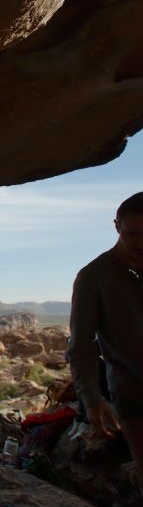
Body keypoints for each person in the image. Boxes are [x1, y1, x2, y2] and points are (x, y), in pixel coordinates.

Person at [68, 191, 143, 488]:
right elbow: (81, 345)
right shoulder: (94, 277)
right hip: (134, 395)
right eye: (132, 234)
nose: (141, 244)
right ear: (117, 226)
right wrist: (91, 398)